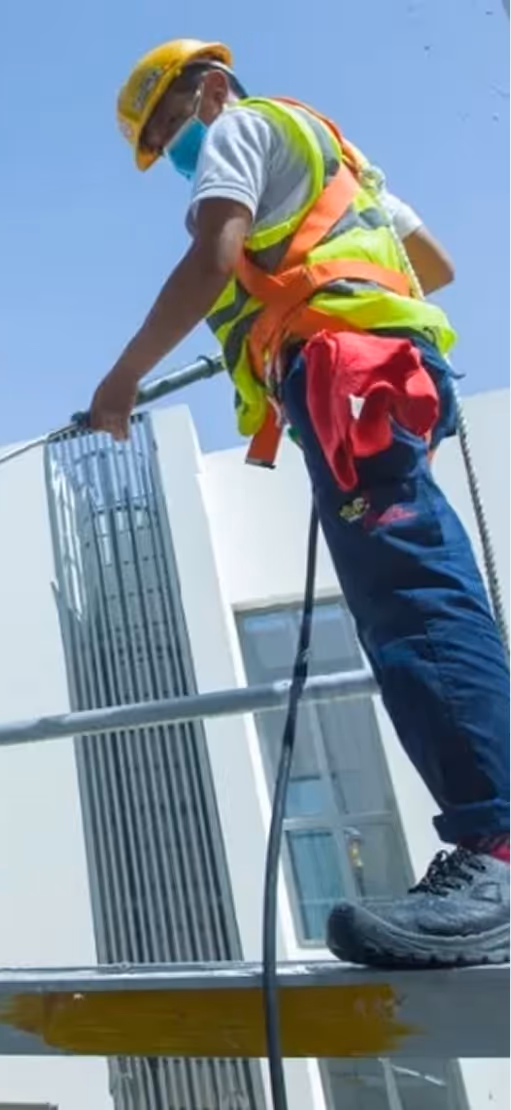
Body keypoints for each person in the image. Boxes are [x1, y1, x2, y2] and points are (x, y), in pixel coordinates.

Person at [90, 38, 510, 969]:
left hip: (350, 383)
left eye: (169, 130)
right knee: (417, 594)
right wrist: (298, 296)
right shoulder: (343, 161)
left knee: (413, 602)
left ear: (205, 90)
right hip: (384, 378)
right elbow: (428, 267)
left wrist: (119, 383)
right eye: (161, 147)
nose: (179, 154)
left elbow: (213, 253)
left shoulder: (237, 123)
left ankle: (498, 851)